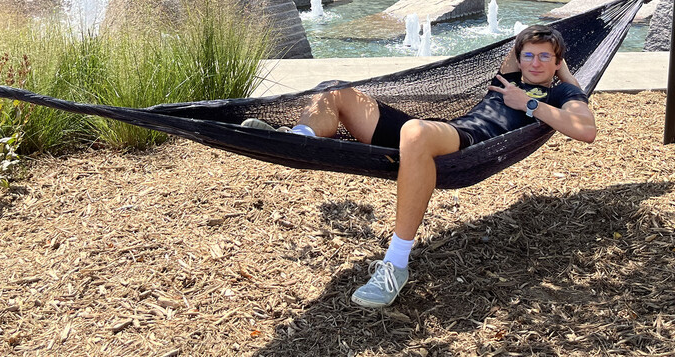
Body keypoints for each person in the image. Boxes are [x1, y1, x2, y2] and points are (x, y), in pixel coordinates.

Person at [242, 25, 597, 308]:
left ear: (557, 63)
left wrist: (530, 104)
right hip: (432, 134)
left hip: (468, 144)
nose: (535, 63)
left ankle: (395, 265)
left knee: (414, 131)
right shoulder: (510, 75)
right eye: (529, 56)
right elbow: (521, 47)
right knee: (336, 89)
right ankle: (298, 136)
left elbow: (586, 131)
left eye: (545, 58)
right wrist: (539, 50)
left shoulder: (561, 95)